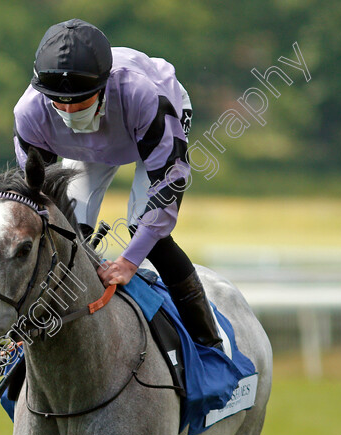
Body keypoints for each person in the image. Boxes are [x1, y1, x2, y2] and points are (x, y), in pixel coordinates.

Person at [13, 19, 222, 350]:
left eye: (78, 100)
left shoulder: (143, 96)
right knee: (67, 231)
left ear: (102, 86)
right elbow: (35, 202)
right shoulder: (30, 112)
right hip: (98, 139)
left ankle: (208, 344)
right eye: (58, 100)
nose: (67, 110)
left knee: (146, 228)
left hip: (148, 120)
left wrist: (128, 262)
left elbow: (168, 189)